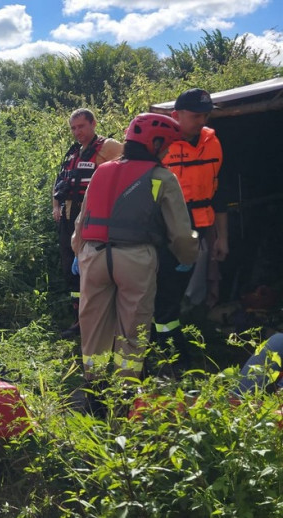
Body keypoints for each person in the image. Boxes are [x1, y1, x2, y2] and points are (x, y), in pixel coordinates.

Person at [72, 113, 198, 399]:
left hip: (93, 255)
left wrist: (78, 252)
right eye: (165, 146)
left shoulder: (101, 171)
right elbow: (180, 234)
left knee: (93, 326)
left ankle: (95, 390)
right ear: (153, 144)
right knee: (134, 327)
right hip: (136, 258)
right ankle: (125, 393)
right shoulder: (162, 177)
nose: (166, 152)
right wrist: (188, 255)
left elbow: (81, 222)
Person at [153, 88, 227, 362]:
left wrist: (222, 237)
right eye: (196, 115)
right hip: (166, 230)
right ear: (176, 115)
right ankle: (165, 342)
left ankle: (182, 330)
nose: (202, 120)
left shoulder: (213, 143)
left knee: (185, 285)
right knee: (164, 287)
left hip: (200, 228)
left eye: (206, 115)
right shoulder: (161, 145)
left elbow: (220, 192)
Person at [52, 109, 124, 338]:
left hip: (93, 219)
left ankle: (103, 321)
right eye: (73, 128)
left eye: (81, 126)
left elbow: (123, 178)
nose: (77, 132)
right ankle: (79, 320)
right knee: (71, 272)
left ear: (93, 123)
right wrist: (56, 205)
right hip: (69, 216)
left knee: (93, 269)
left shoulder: (109, 147)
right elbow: (60, 182)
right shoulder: (73, 153)